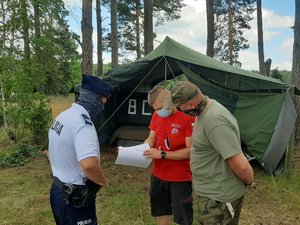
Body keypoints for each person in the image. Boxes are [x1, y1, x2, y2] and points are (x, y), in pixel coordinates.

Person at [171, 81, 254, 225]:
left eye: (180, 107)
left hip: (219, 199)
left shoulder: (214, 120)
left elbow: (240, 165)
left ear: (190, 105)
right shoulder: (204, 110)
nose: (178, 110)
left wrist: (250, 180)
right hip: (212, 193)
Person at [48, 74, 114, 225]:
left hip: (58, 191)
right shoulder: (83, 124)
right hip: (75, 197)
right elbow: (89, 164)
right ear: (94, 99)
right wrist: (101, 181)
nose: (103, 107)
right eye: (103, 102)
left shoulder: (63, 116)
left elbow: (52, 149)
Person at [143, 85, 195, 225]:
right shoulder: (156, 115)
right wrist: (144, 147)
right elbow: (151, 138)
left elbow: (190, 151)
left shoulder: (187, 117)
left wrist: (162, 154)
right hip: (158, 174)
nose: (157, 112)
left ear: (169, 101)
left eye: (159, 108)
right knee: (161, 211)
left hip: (180, 177)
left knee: (183, 216)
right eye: (155, 109)